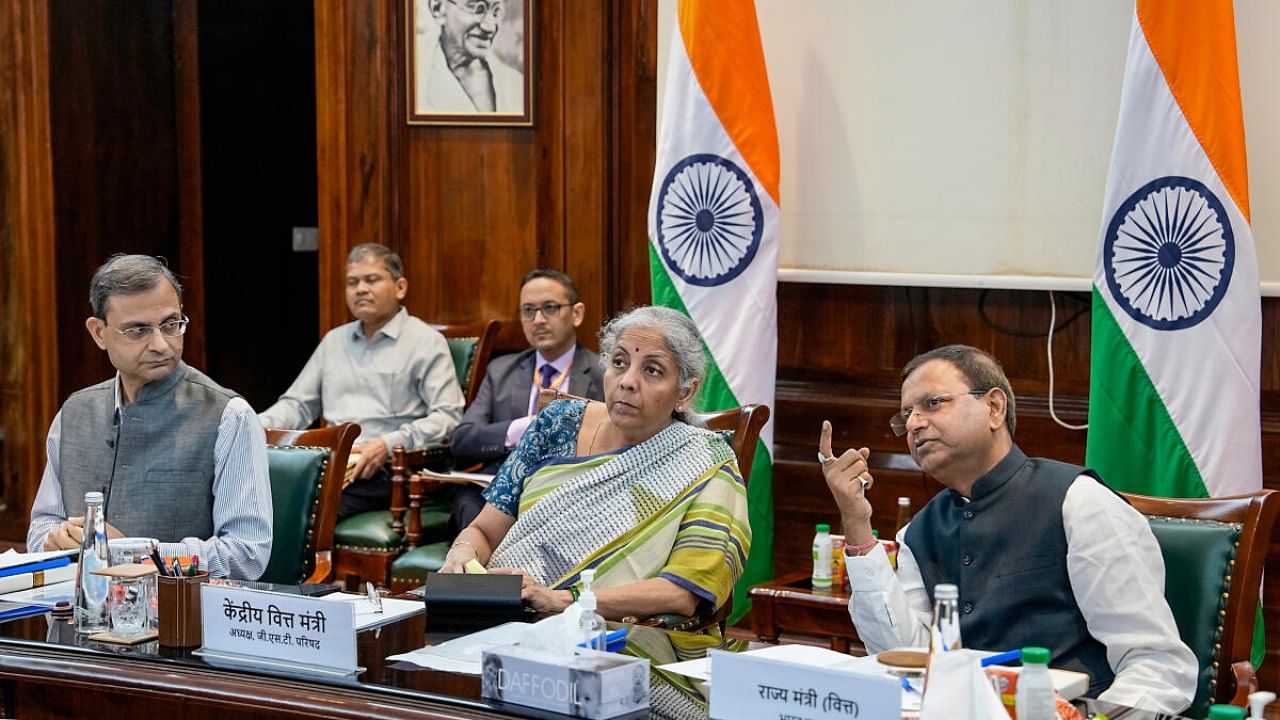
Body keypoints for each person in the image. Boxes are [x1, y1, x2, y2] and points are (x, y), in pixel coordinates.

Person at [819, 344, 1196, 713]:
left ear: (994, 407)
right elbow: (901, 655)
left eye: (933, 403)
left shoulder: (1078, 502)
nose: (914, 423)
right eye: (906, 416)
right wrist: (857, 522)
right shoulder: (919, 531)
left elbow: (1156, 666)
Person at [441, 306, 750, 622]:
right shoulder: (556, 424)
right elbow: (485, 532)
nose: (628, 381)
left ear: (686, 392)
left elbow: (684, 592)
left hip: (623, 640)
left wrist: (563, 600)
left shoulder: (705, 462)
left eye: (652, 370)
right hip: (506, 617)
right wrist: (463, 552)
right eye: (619, 362)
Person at [27, 254, 272, 580]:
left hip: (182, 621)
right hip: (80, 616)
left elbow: (246, 553)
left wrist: (135, 553)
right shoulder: (74, 413)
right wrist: (53, 539)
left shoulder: (229, 417)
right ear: (99, 333)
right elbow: (39, 529)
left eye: (171, 325)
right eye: (138, 330)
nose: (160, 344)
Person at [258, 243, 464, 519]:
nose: (361, 289)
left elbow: (448, 417)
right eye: (352, 282)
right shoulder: (334, 341)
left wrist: (388, 444)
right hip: (329, 462)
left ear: (400, 287)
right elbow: (297, 405)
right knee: (252, 494)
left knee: (299, 509)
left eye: (372, 280)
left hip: (388, 469)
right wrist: (253, 428)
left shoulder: (426, 342)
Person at [448, 269, 604, 529]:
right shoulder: (501, 371)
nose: (538, 320)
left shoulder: (604, 373)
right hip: (501, 489)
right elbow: (462, 439)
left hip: (570, 490)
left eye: (550, 308)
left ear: (576, 314)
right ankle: (477, 569)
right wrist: (521, 429)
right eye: (528, 311)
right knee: (468, 502)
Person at [419, 0, 524, 113]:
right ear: (438, 8)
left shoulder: (515, 86)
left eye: (496, 12)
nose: (490, 27)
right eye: (478, 9)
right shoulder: (414, 68)